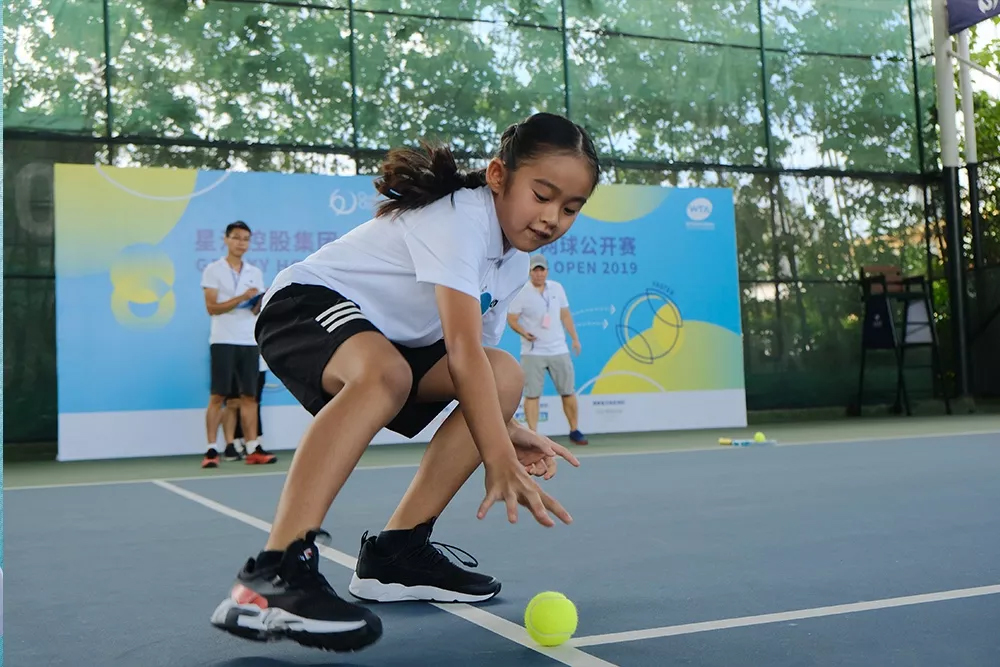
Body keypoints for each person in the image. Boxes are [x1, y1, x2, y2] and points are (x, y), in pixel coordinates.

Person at [209, 112, 600, 653]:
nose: (552, 218)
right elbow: (461, 352)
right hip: (304, 306)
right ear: (498, 176)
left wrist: (508, 429)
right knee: (386, 376)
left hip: (394, 345)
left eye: (571, 208)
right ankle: (276, 572)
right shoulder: (461, 219)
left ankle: (396, 554)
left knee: (503, 374)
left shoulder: (513, 264)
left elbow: (476, 368)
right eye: (542, 195)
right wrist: (498, 458)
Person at [200, 221, 271, 468]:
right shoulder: (213, 270)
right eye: (237, 237)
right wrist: (242, 297)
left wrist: (260, 301)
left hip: (248, 340)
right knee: (218, 395)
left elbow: (254, 310)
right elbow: (212, 308)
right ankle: (211, 449)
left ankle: (252, 447)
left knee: (249, 396)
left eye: (246, 239)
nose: (241, 243)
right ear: (226, 239)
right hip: (223, 340)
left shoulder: (254, 272)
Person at [506, 254, 588, 444]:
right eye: (535, 270)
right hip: (533, 352)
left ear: (547, 271)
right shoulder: (522, 292)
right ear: (530, 272)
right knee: (532, 395)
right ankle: (533, 434)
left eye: (542, 270)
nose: (539, 274)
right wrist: (524, 332)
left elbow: (565, 315)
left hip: (559, 349)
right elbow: (512, 319)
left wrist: (575, 338)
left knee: (568, 391)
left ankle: (574, 429)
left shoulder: (557, 288)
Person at [223, 354, 277, 464]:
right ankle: (232, 444)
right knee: (233, 402)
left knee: (254, 401)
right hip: (235, 357)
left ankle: (253, 445)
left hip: (258, 362)